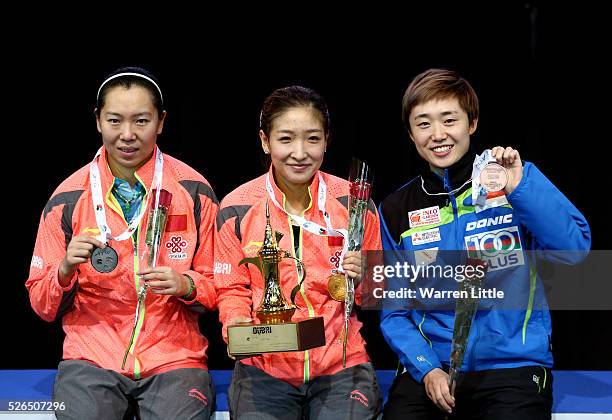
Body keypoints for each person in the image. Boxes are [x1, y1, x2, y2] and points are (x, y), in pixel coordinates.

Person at [379, 68, 591, 419]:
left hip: (512, 367)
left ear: (472, 123)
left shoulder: (515, 181)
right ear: (410, 133)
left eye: (449, 120)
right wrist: (426, 367)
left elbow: (574, 250)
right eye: (424, 123)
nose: (438, 135)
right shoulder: (395, 209)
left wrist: (519, 189)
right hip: (433, 367)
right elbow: (395, 311)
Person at [26, 67, 218, 419]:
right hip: (91, 357)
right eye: (115, 121)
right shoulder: (67, 198)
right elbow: (40, 303)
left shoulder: (193, 191)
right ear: (98, 120)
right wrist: (65, 269)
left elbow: (220, 283)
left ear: (161, 122)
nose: (127, 135)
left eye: (141, 121)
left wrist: (186, 284)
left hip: (174, 358)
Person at [215, 85, 383, 419]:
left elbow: (375, 296)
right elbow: (230, 287)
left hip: (340, 363)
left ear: (326, 141)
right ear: (265, 141)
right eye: (286, 139)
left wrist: (366, 276)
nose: (300, 152)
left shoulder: (353, 203)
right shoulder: (236, 207)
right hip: (265, 367)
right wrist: (236, 325)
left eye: (312, 138)